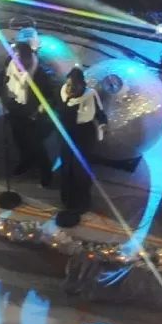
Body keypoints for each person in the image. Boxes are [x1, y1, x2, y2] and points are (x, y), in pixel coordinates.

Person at [0, 29, 54, 186]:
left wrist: (42, 107)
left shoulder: (40, 72)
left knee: (36, 143)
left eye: (24, 55)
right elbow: (3, 77)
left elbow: (50, 95)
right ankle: (26, 161)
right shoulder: (11, 63)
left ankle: (46, 170)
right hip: (15, 108)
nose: (20, 58)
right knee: (19, 139)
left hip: (32, 114)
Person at [57, 66, 104, 217]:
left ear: (83, 85)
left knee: (81, 171)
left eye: (75, 86)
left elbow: (100, 114)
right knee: (66, 168)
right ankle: (68, 200)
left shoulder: (91, 96)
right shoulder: (63, 94)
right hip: (66, 137)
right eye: (69, 85)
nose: (71, 89)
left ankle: (83, 202)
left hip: (83, 137)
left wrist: (104, 125)